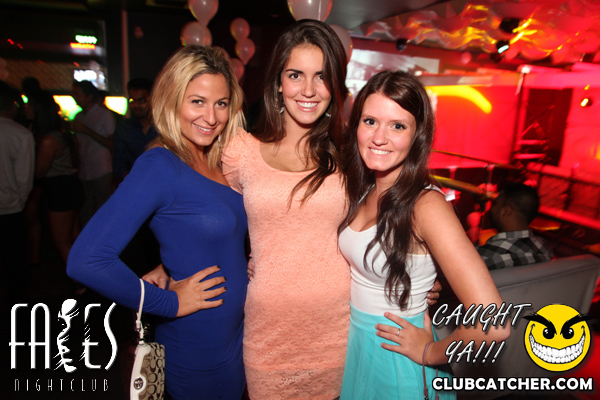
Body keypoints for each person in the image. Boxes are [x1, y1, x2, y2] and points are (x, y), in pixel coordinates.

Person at [67, 46, 248, 399]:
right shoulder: (161, 165)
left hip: (234, 337)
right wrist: (168, 303)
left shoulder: (217, 158)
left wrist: (171, 263)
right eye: (197, 102)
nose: (211, 117)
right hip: (196, 344)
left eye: (221, 103)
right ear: (172, 100)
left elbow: (205, 231)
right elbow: (85, 260)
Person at [338, 70, 509, 399]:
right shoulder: (364, 188)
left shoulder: (426, 205)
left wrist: (430, 352)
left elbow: (495, 324)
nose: (379, 137)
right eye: (370, 121)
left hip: (395, 358)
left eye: (397, 126)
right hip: (357, 347)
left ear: (418, 135)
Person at [25, 90, 83, 267]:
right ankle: (87, 275)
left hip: (60, 189)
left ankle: (79, 280)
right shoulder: (60, 133)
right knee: (74, 237)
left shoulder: (49, 140)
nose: (25, 108)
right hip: (69, 185)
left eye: (29, 105)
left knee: (62, 241)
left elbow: (39, 172)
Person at [0, 80, 35, 304]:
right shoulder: (20, 135)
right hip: (10, 212)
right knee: (15, 273)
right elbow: (24, 180)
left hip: (10, 209)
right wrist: (17, 202)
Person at [477, 182, 553, 269]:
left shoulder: (486, 255)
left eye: (496, 204)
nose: (492, 209)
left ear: (505, 212)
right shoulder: (544, 247)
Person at [70, 79, 115, 226]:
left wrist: (86, 130)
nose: (75, 98)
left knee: (104, 206)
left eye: (78, 94)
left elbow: (112, 143)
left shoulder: (104, 115)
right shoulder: (78, 116)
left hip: (101, 169)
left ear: (89, 97)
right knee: (85, 208)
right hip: (84, 169)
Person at [113, 78, 158, 183]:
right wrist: (132, 181)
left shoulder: (165, 128)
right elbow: (119, 163)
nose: (135, 105)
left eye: (141, 101)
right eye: (132, 101)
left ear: (153, 99)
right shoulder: (125, 128)